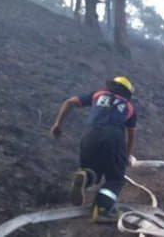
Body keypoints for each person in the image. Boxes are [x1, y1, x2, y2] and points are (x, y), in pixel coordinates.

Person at [50, 76, 137, 223]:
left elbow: (70, 102)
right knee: (115, 179)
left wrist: (58, 124)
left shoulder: (98, 94)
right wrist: (126, 157)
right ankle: (102, 210)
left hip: (91, 134)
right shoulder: (129, 107)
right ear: (128, 92)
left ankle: (85, 176)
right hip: (114, 137)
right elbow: (131, 134)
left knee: (92, 169)